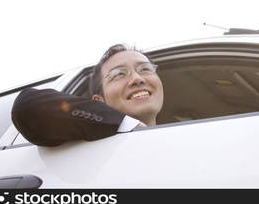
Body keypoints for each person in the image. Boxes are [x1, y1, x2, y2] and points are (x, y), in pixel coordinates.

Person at [11, 44, 164, 147]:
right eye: (119, 74)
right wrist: (127, 124)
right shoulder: (92, 146)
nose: (137, 79)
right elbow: (28, 106)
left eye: (145, 69)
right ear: (99, 102)